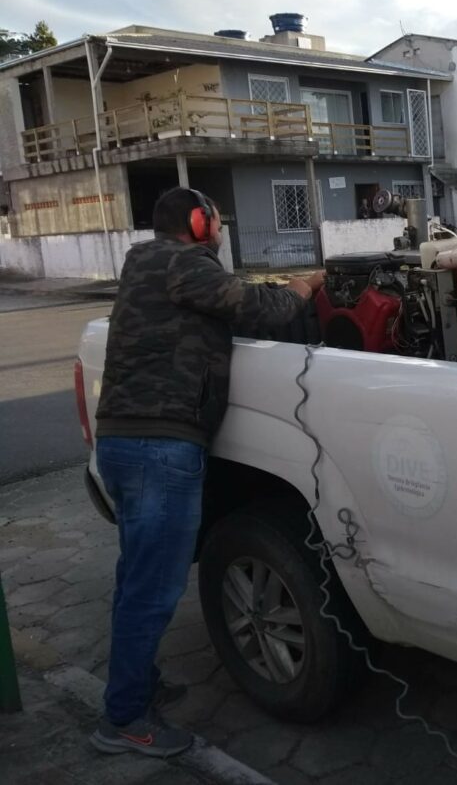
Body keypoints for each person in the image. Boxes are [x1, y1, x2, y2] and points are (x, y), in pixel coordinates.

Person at [90, 187, 324, 757]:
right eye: (216, 221)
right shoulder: (184, 264)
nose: (220, 230)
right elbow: (260, 307)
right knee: (151, 591)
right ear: (199, 223)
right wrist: (303, 286)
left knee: (135, 582)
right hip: (158, 449)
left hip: (127, 445)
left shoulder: (147, 262)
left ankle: (136, 687)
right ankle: (125, 721)